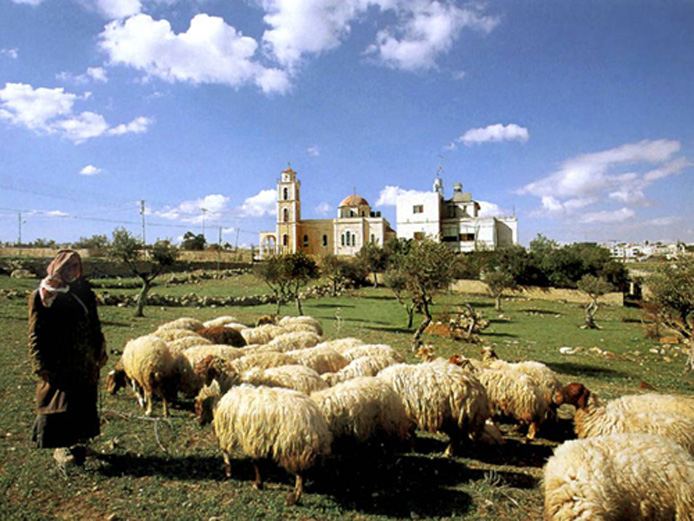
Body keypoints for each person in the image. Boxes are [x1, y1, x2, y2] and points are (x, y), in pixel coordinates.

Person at [28, 250, 107, 467]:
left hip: (84, 356)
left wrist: (100, 348)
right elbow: (36, 332)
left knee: (83, 399)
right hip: (58, 358)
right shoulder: (43, 295)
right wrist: (39, 363)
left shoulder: (84, 292)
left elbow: (94, 323)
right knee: (59, 401)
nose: (72, 270)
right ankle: (60, 447)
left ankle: (79, 441)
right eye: (67, 266)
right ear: (58, 267)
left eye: (76, 266)